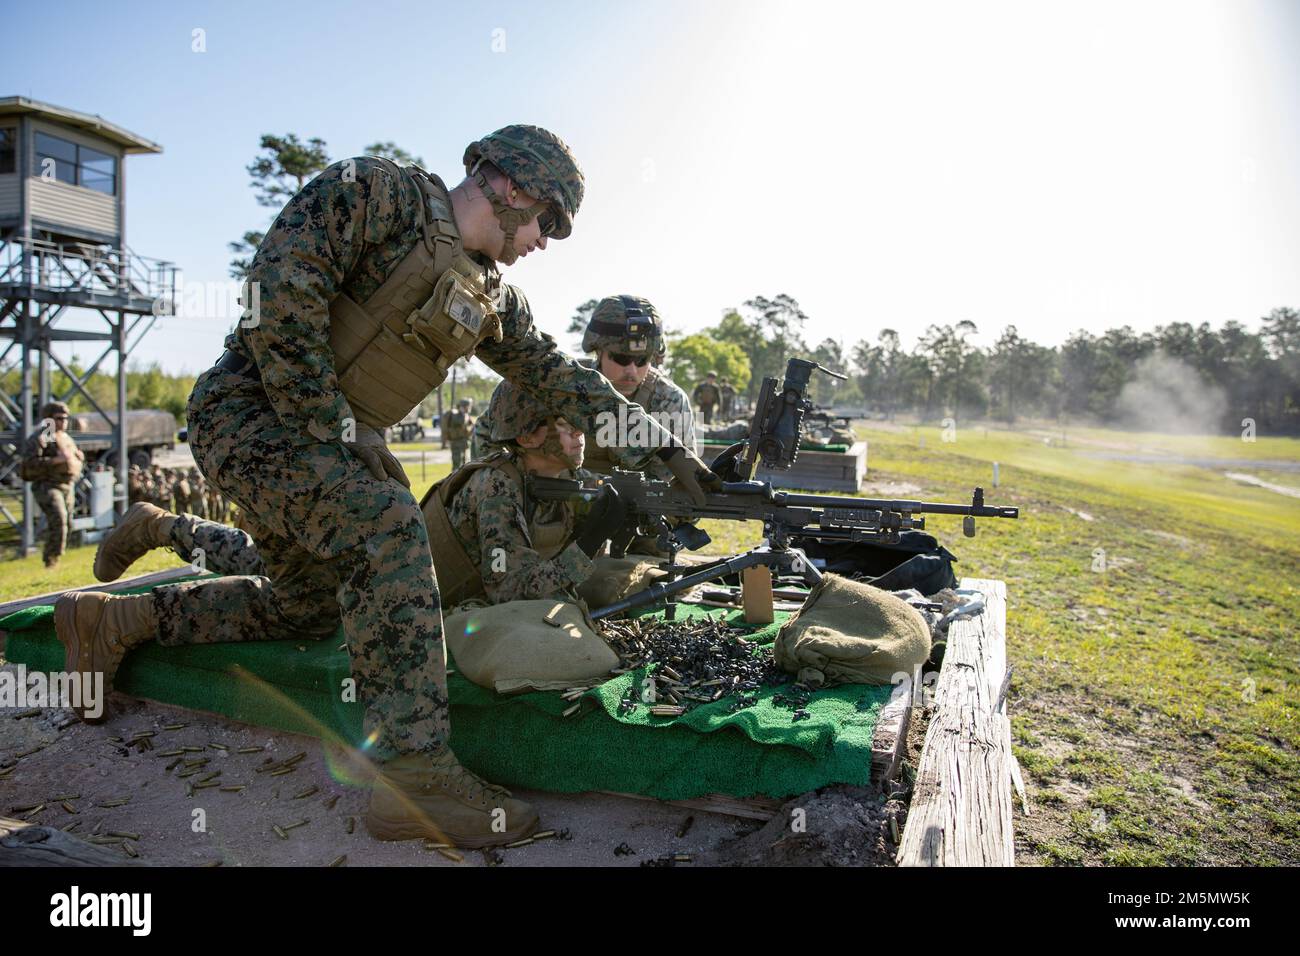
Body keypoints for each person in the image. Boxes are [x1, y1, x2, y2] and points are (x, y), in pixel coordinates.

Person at [59, 124, 718, 850]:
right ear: (510, 188)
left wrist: (658, 445)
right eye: (547, 221)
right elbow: (276, 292)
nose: (546, 241)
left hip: (319, 443)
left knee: (307, 608)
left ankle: (116, 623)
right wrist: (337, 429)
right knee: (388, 527)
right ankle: (413, 776)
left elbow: (556, 375)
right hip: (248, 415)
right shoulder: (375, 195)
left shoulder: (495, 296)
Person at [475, 294, 695, 478]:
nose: (631, 370)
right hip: (560, 505)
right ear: (598, 351)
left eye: (642, 361)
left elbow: (671, 484)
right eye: (620, 358)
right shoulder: (559, 381)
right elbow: (489, 433)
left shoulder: (668, 400)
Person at [20, 401, 84, 568]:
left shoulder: (65, 437)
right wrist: (55, 461)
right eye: (58, 418)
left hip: (67, 485)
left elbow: (73, 458)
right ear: (49, 419)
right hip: (47, 485)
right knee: (59, 520)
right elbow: (28, 464)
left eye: (65, 418)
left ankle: (56, 557)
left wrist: (78, 458)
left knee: (68, 523)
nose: (63, 421)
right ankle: (50, 561)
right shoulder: (41, 437)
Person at [442, 398, 475, 469]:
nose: (469, 408)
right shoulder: (456, 415)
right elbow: (460, 422)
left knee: (465, 464)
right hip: (456, 442)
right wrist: (464, 414)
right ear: (464, 406)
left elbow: (470, 425)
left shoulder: (466, 415)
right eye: (468, 406)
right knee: (457, 465)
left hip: (464, 442)